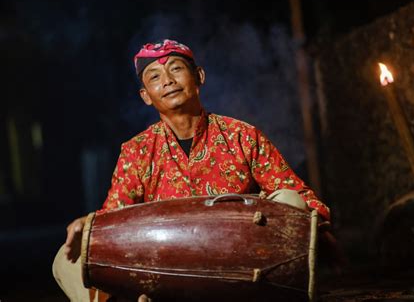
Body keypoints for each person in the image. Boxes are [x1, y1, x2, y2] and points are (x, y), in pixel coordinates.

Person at [52, 39, 334, 302]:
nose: (168, 81)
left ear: (199, 76)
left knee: (289, 202)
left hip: (242, 273)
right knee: (67, 259)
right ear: (145, 96)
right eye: (155, 77)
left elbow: (301, 197)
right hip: (164, 278)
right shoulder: (136, 151)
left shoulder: (242, 135)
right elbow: (114, 217)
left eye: (176, 69)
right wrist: (88, 226)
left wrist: (317, 229)